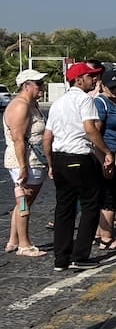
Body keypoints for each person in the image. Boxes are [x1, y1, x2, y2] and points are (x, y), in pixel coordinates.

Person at [42, 62, 113, 271]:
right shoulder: (84, 100)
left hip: (59, 157)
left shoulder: (58, 103)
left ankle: (60, 258)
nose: (94, 79)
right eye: (90, 76)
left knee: (64, 208)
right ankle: (80, 256)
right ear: (78, 80)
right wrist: (107, 152)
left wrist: (50, 163)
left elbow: (47, 137)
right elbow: (90, 130)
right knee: (91, 205)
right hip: (80, 157)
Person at [3, 69, 50, 257]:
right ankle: (24, 244)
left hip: (34, 161)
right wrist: (22, 167)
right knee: (23, 202)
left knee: (23, 201)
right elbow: (18, 140)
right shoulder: (20, 106)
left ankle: (14, 240)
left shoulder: (33, 105)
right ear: (26, 86)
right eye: (38, 83)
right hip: (24, 162)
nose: (42, 87)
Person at [93, 68, 116, 251]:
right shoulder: (101, 103)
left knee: (112, 193)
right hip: (108, 153)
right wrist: (104, 156)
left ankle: (100, 232)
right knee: (109, 195)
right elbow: (95, 132)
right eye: (113, 87)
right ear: (103, 86)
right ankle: (106, 237)